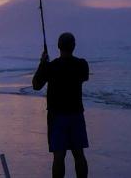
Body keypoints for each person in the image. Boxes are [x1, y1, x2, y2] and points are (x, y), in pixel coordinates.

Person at [32, 32, 90, 178]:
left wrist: (43, 63)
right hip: (76, 114)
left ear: (58, 46)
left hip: (56, 116)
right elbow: (85, 76)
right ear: (74, 46)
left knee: (58, 156)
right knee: (79, 154)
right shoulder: (81, 65)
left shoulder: (51, 67)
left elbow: (36, 85)